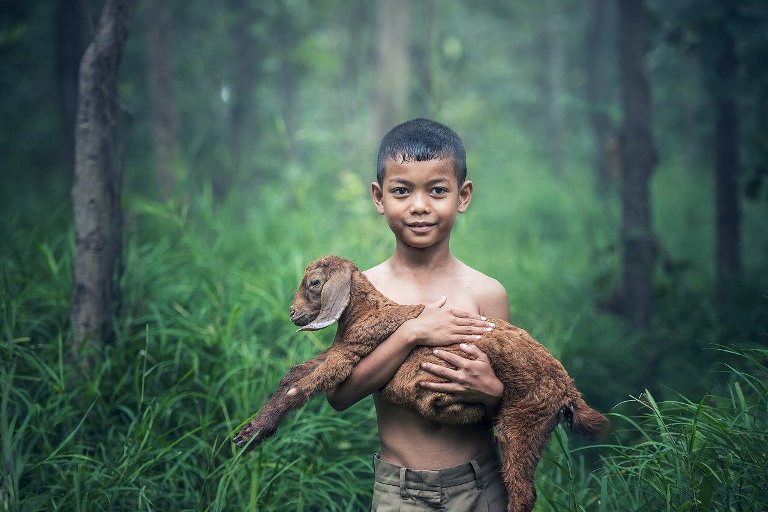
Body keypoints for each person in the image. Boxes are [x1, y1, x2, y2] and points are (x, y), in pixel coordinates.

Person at [326, 118, 510, 510]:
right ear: (379, 197)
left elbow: (514, 407)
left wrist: (491, 393)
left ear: (463, 196)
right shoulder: (364, 291)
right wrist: (411, 332)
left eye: (438, 190)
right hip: (399, 492)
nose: (420, 206)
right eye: (402, 191)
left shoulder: (486, 293)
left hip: (482, 486)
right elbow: (339, 394)